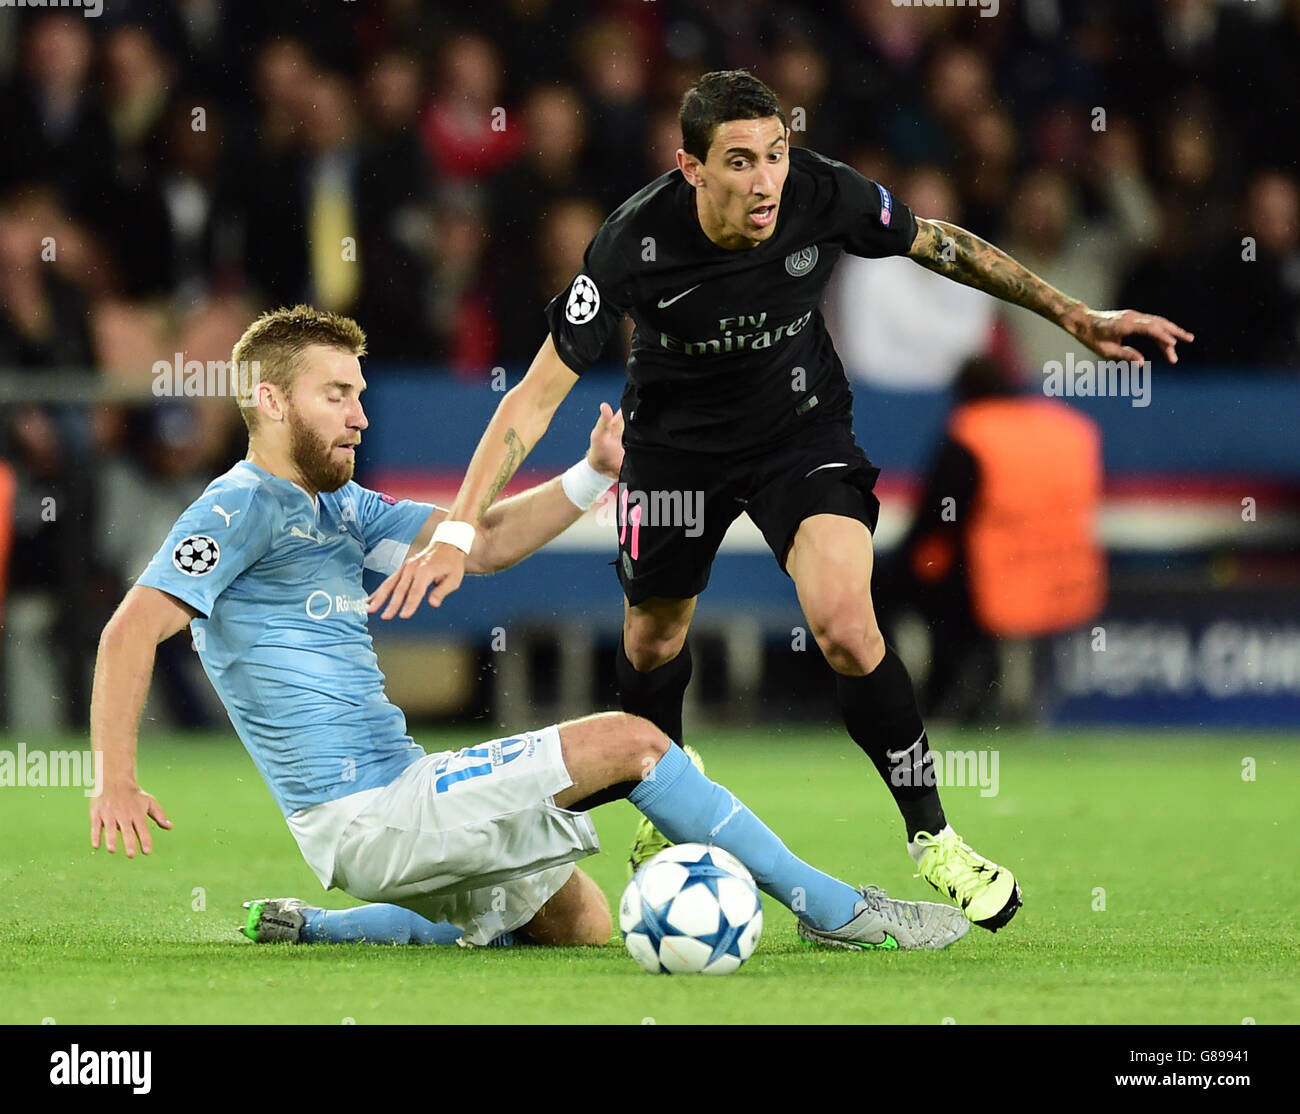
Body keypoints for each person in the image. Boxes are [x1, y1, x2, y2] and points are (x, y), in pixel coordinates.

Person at [370, 71, 1194, 934]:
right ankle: (666, 803)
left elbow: (938, 243)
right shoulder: (629, 244)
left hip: (799, 432)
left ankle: (935, 838)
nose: (765, 180)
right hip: (675, 450)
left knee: (845, 622)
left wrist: (1072, 315)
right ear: (690, 167)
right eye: (739, 161)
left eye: (775, 154)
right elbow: (532, 397)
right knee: (652, 639)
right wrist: (459, 530)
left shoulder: (821, 193)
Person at [88, 304, 970, 953]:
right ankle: (838, 912)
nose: (360, 413)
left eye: (359, 393)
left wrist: (590, 475)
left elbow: (486, 541)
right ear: (272, 403)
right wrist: (115, 781)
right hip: (368, 815)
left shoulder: (341, 507)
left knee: (577, 925)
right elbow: (129, 630)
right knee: (635, 742)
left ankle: (320, 930)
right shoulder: (238, 504)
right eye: (336, 395)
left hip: (405, 795)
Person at [876, 356, 1105, 723]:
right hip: (1065, 577)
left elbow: (936, 522)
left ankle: (902, 705)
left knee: (883, 588)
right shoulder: (1069, 429)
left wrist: (892, 568)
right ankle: (1010, 702)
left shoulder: (972, 434)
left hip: (992, 582)